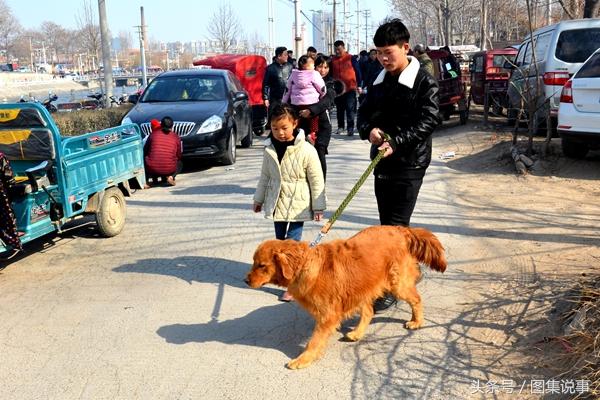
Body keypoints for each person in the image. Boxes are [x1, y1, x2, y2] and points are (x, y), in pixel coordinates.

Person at [358, 18, 441, 313]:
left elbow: (430, 120)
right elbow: (363, 114)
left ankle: (394, 285)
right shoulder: (378, 80)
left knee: (396, 227)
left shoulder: (423, 81)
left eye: (388, 52)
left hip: (409, 163)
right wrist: (369, 130)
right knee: (387, 227)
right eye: (378, 52)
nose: (382, 58)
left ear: (405, 47)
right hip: (382, 161)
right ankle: (403, 273)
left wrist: (398, 141)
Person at [253, 103, 326, 302]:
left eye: (284, 128)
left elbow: (316, 178)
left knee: (291, 247)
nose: (280, 133)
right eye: (275, 129)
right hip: (277, 203)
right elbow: (264, 177)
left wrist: (318, 205)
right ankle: (282, 275)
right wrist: (258, 199)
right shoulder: (269, 149)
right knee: (279, 246)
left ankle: (293, 285)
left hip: (298, 205)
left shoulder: (307, 150)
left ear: (295, 123)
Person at [298, 55, 338, 179]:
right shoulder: (302, 81)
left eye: (326, 67)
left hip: (322, 125)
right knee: (304, 155)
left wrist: (311, 110)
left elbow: (327, 100)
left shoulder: (330, 83)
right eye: (320, 66)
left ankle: (320, 187)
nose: (323, 70)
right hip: (303, 123)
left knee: (319, 153)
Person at [282, 55, 326, 147]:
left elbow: (287, 89)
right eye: (313, 65)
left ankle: (299, 134)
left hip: (296, 104)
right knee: (314, 119)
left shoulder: (294, 74)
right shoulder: (314, 74)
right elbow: (321, 87)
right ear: (308, 66)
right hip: (311, 103)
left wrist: (284, 102)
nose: (314, 67)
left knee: (299, 120)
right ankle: (312, 134)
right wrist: (323, 96)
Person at [330, 40, 362, 136]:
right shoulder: (333, 60)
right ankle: (341, 127)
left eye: (339, 49)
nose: (337, 52)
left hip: (350, 89)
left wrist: (359, 85)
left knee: (350, 109)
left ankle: (350, 128)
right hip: (338, 90)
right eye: (336, 50)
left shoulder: (351, 58)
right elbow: (330, 74)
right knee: (340, 109)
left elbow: (358, 72)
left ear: (344, 48)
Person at [143, 116, 182, 187]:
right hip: (169, 169)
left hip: (152, 169)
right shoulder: (176, 137)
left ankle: (148, 180)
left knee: (147, 160)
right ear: (172, 126)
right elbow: (179, 155)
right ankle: (171, 177)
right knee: (180, 163)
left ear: (161, 125)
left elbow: (145, 151)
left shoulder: (153, 135)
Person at [262, 46, 293, 128]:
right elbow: (266, 84)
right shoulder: (270, 68)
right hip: (275, 98)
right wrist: (265, 98)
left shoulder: (290, 67)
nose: (287, 56)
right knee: (274, 119)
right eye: (285, 55)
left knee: (288, 118)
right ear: (279, 56)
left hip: (288, 98)